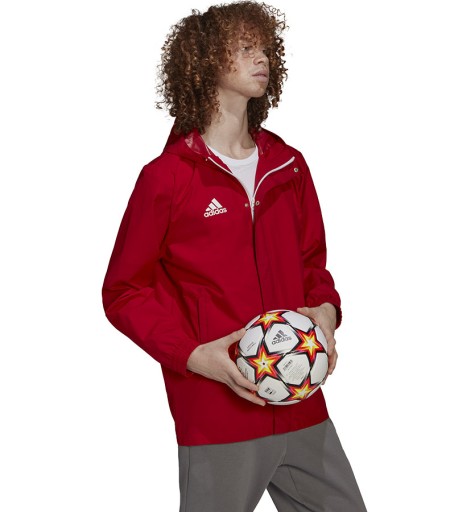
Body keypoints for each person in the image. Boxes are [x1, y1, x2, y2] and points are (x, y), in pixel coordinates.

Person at [101, 1, 368, 510]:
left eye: (264, 47)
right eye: (244, 48)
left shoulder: (289, 166)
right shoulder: (167, 178)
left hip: (301, 401)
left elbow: (313, 264)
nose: (260, 57)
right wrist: (192, 355)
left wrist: (326, 311)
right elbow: (124, 291)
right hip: (218, 413)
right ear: (205, 61)